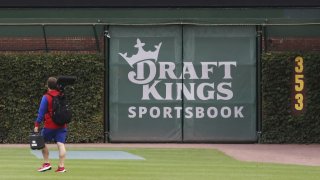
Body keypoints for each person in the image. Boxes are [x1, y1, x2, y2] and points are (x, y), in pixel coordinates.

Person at [34, 77, 67, 173]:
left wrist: (36, 125)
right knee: (61, 145)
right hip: (62, 124)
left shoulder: (46, 97)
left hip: (49, 125)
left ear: (47, 86)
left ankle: (46, 164)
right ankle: (61, 167)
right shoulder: (62, 95)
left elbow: (41, 113)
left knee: (42, 142)